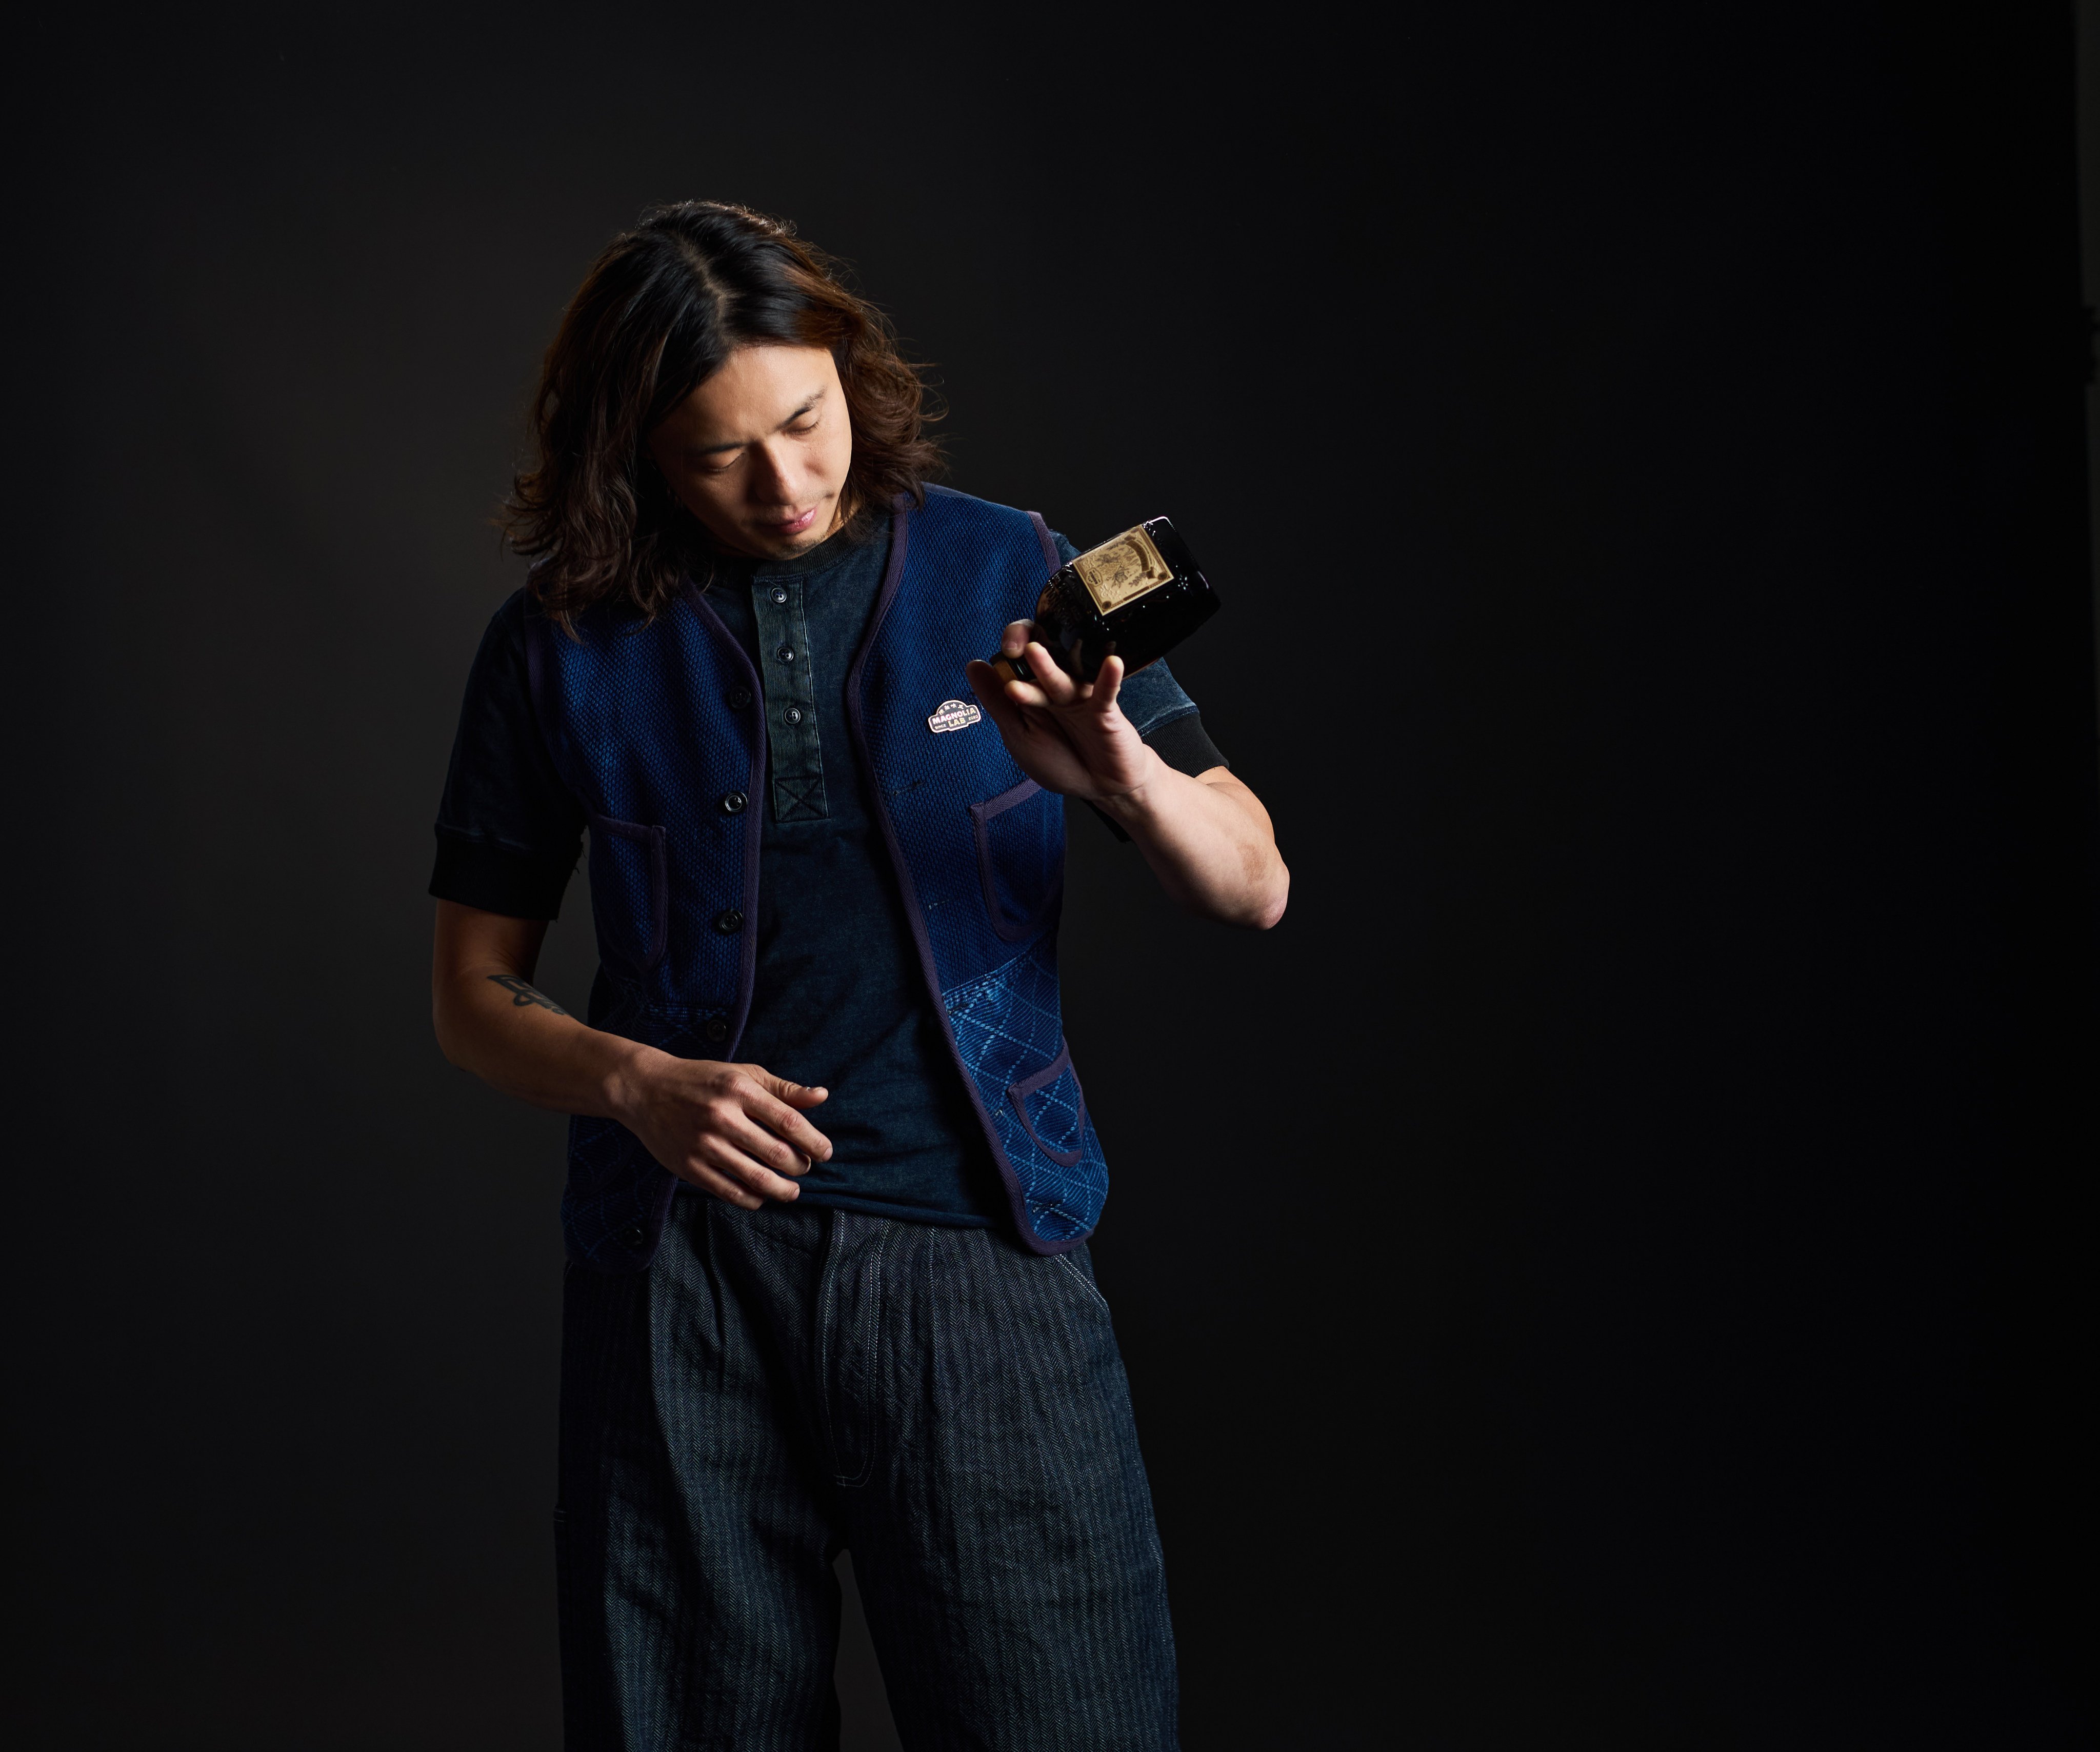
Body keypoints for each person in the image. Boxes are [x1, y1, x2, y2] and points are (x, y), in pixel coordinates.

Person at [428, 201, 1288, 1751]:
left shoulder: (1017, 566)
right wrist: (631, 1082)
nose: (788, 485)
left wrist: (1119, 775)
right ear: (634, 453)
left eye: (807, 423)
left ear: (850, 374)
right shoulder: (556, 645)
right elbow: (470, 995)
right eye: (718, 455)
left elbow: (1256, 883)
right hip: (679, 1279)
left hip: (978, 1253)